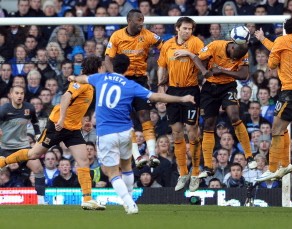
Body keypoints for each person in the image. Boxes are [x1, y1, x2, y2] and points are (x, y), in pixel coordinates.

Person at [70, 53, 195, 214]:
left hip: (106, 133)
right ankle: (129, 198)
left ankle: (129, 203)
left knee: (112, 172)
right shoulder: (130, 85)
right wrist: (182, 99)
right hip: (126, 132)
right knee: (127, 166)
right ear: (127, 69)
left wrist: (73, 77)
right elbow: (156, 96)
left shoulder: (100, 78)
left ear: (113, 66)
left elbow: (83, 79)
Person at [0, 56, 106, 210]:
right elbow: (65, 97)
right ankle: (2, 162)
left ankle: (87, 199)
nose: (104, 70)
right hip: (57, 125)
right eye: (102, 67)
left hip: (73, 129)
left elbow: (77, 106)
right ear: (96, 68)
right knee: (34, 154)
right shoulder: (81, 83)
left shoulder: (90, 85)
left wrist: (83, 122)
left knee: (83, 161)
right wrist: (62, 119)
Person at [254, 18, 292, 182]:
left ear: (285, 30)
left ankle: (272, 168)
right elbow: (280, 49)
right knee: (282, 128)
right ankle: (286, 164)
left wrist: (271, 61)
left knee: (275, 130)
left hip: (291, 90)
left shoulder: (283, 40)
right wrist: (262, 39)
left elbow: (272, 64)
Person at [104, 9, 163, 169]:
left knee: (145, 114)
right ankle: (137, 156)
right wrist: (115, 76)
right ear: (129, 20)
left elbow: (163, 46)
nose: (141, 22)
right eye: (138, 20)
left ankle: (152, 153)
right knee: (126, 119)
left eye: (143, 19)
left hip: (140, 80)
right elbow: (107, 59)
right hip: (123, 80)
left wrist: (163, 62)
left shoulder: (148, 35)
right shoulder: (117, 36)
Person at [194, 30, 256, 179]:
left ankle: (249, 156)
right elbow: (197, 58)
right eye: (235, 58)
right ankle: (208, 166)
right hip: (210, 87)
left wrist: (221, 71)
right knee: (208, 124)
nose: (236, 60)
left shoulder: (243, 52)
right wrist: (204, 71)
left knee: (234, 116)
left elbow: (243, 75)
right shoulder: (216, 45)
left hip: (228, 86)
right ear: (232, 47)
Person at [157, 16, 209, 192]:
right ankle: (183, 172)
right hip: (172, 91)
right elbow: (161, 66)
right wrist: (160, 88)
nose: (188, 31)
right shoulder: (167, 45)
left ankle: (195, 173)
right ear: (177, 28)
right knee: (177, 134)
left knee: (192, 133)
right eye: (185, 28)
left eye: (190, 29)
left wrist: (190, 54)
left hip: (191, 91)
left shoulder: (196, 43)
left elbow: (205, 63)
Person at [0, 86, 44, 202]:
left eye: (22, 93)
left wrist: (38, 135)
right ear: (11, 95)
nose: (20, 96)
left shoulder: (29, 108)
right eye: (17, 93)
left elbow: (35, 121)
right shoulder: (4, 109)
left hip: (23, 147)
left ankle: (40, 201)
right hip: (6, 148)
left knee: (38, 169)